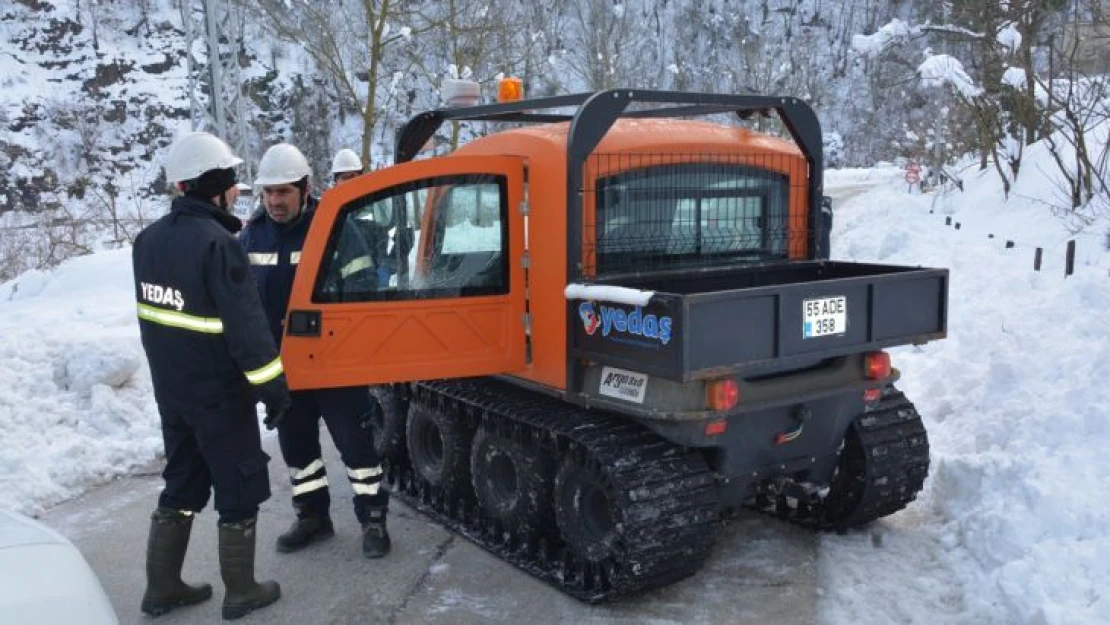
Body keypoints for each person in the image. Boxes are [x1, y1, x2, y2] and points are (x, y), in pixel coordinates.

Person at [133, 131, 290, 620]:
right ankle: (242, 591)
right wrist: (273, 388)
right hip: (220, 396)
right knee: (239, 487)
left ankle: (162, 587)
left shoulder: (147, 241)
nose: (238, 191)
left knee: (181, 483)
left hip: (174, 395)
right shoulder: (219, 244)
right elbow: (248, 330)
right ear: (214, 186)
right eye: (232, 182)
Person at [239, 143, 391, 559]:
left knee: (357, 450)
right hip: (285, 369)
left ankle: (373, 519)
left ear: (304, 189)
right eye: (268, 192)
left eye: (283, 191)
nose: (274, 201)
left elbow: (362, 293)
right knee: (298, 449)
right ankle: (312, 516)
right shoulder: (250, 236)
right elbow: (241, 302)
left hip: (335, 364)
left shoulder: (336, 228)